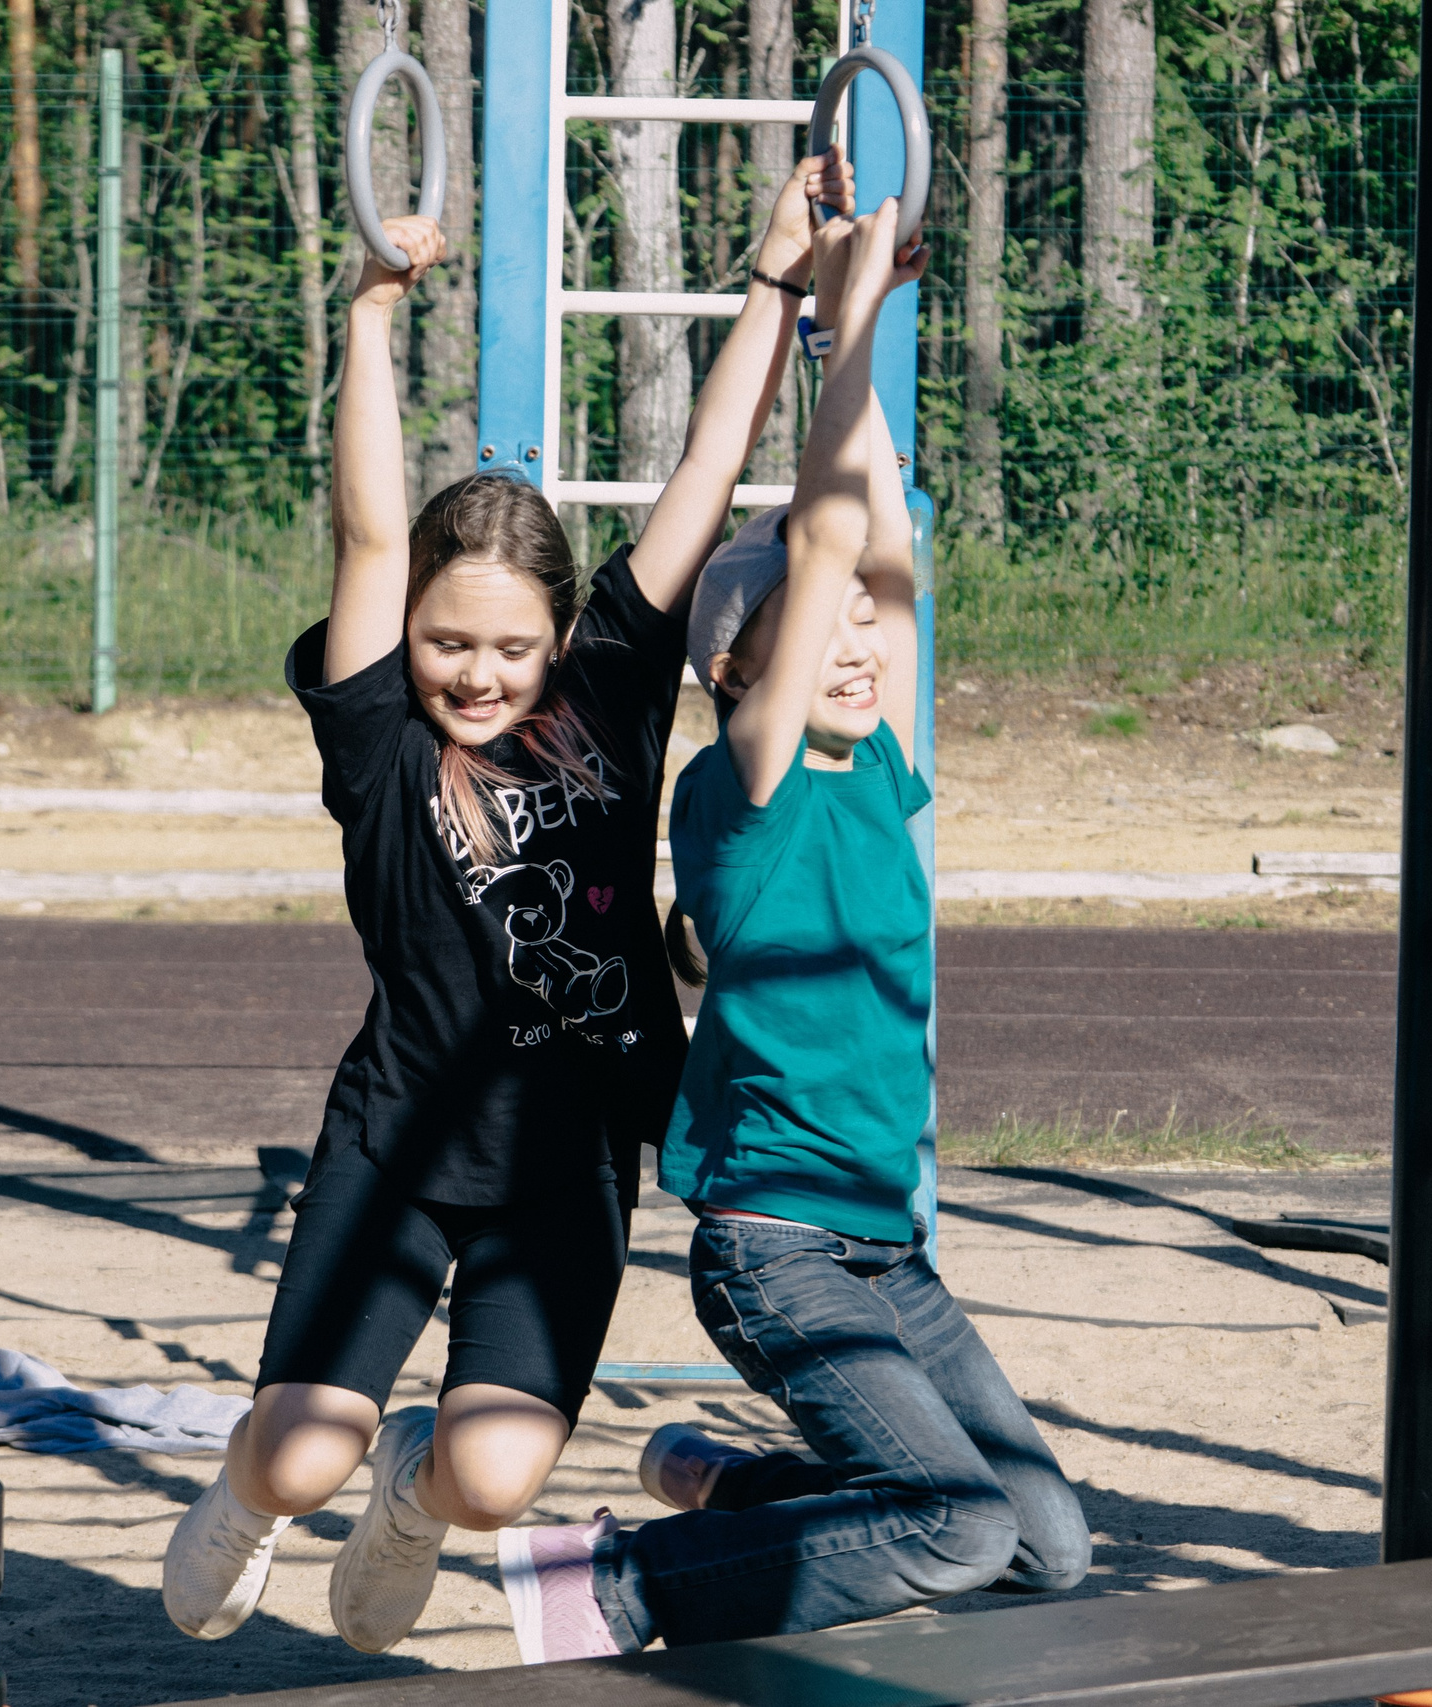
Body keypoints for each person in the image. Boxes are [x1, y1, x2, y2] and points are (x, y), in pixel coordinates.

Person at [162, 151, 855, 1655]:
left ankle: (409, 1495)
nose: (476, 674)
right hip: (400, 1139)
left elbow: (706, 476)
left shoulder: (612, 692)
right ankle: (251, 1498)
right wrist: (368, 314)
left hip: (569, 1155)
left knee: (492, 1479)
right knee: (295, 1450)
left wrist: (774, 281)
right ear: (406, 635)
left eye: (509, 649)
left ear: (562, 642)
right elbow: (363, 530)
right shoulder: (380, 737)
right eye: (446, 643)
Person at [493, 201, 1093, 1662]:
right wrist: (845, 319)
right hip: (780, 1250)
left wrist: (856, 329)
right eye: (818, 635)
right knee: (954, 1529)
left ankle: (731, 1484)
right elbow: (831, 541)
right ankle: (616, 1587)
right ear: (737, 671)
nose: (858, 644)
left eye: (869, 637)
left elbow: (873, 540)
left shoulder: (872, 772)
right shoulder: (742, 793)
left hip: (890, 1251)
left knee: (1047, 1553)